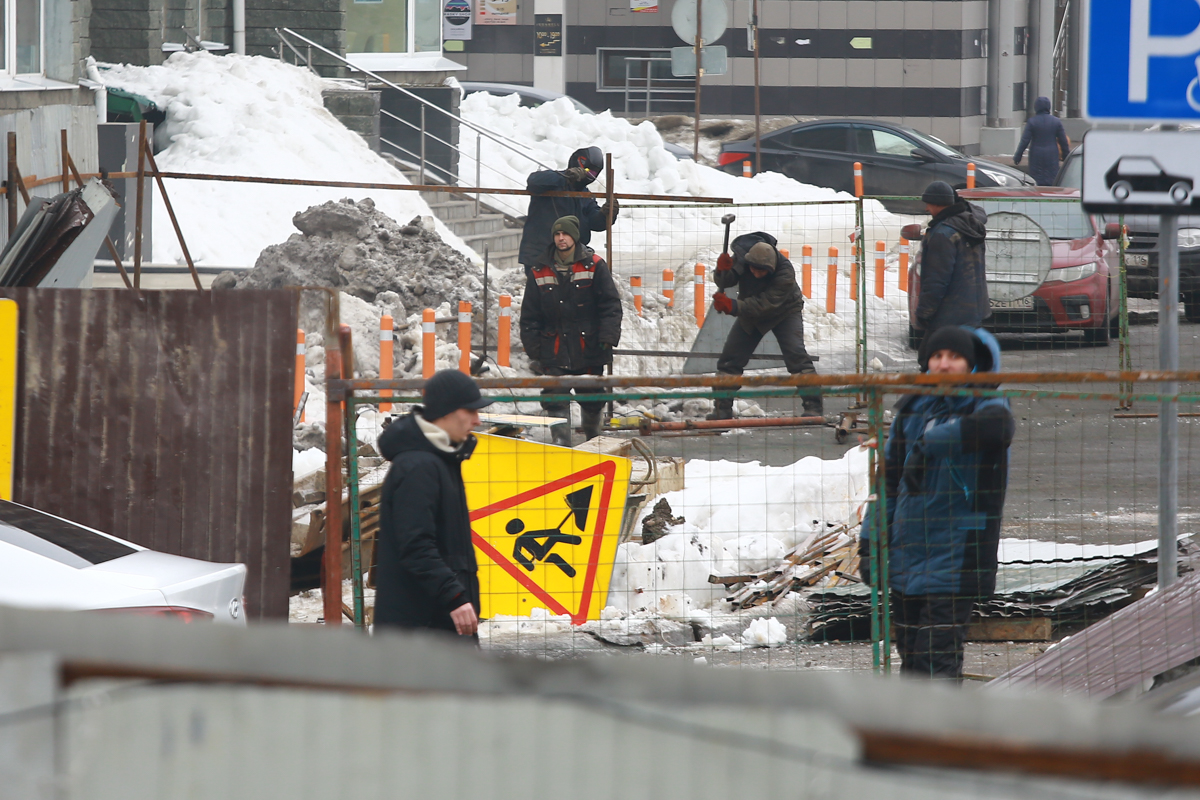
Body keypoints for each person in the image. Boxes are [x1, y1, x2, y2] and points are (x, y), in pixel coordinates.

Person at [859, 326, 1015, 679]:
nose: (944, 364)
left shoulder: (986, 403)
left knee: (939, 661)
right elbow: (887, 482)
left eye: (955, 357)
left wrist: (929, 446)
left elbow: (998, 427)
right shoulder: (913, 409)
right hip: (906, 553)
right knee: (911, 659)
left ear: (972, 364)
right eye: (937, 356)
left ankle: (946, 732)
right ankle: (911, 732)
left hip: (954, 556)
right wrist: (871, 542)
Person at [374, 369, 493, 641]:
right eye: (470, 411)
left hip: (434, 622)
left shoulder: (440, 458)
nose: (477, 420)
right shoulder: (419, 466)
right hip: (421, 629)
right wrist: (454, 596)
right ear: (446, 412)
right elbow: (416, 546)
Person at [520, 215, 623, 447]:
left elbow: (611, 306)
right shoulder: (539, 270)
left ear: (574, 237)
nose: (561, 238)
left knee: (593, 399)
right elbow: (529, 316)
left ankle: (594, 443)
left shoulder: (594, 265)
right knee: (555, 400)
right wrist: (535, 349)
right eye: (557, 234)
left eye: (565, 234)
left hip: (589, 347)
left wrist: (607, 339)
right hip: (553, 349)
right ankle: (561, 447)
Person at [708, 231, 822, 419]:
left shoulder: (785, 272)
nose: (756, 273)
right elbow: (725, 281)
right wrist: (722, 271)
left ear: (771, 267)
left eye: (761, 271)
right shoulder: (745, 258)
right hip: (751, 312)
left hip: (785, 312)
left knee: (797, 357)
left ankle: (813, 408)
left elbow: (764, 305)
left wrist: (733, 306)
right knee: (730, 360)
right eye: (753, 269)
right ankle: (722, 409)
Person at [913, 181, 990, 342]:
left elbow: (937, 279)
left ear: (938, 204)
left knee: (932, 360)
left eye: (929, 204)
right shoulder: (968, 226)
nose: (927, 209)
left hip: (948, 315)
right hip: (972, 312)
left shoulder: (943, 234)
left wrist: (924, 313)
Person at [518, 146, 616, 271]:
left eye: (593, 173)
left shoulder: (585, 195)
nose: (588, 176)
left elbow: (594, 221)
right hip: (540, 255)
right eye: (586, 170)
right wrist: (565, 177)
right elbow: (533, 181)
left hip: (570, 257)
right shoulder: (552, 182)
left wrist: (606, 214)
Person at [1013, 96, 1071, 186]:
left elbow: (1025, 141)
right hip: (1052, 153)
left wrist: (1018, 156)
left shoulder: (1032, 122)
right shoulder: (1056, 122)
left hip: (1036, 154)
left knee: (1037, 177)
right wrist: (1066, 156)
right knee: (1052, 176)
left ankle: (1039, 195)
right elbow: (1063, 141)